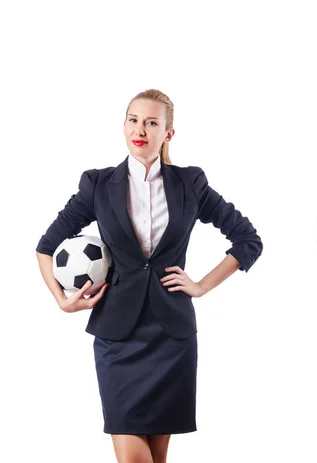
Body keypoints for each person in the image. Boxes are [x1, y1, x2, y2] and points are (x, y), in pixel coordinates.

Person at [35, 89, 263, 463]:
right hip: (116, 337)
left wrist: (202, 285)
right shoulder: (97, 184)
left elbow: (248, 239)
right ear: (124, 125)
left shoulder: (190, 183)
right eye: (134, 120)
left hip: (171, 337)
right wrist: (62, 300)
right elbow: (46, 247)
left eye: (152, 122)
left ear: (168, 134)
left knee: (157, 459)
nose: (140, 129)